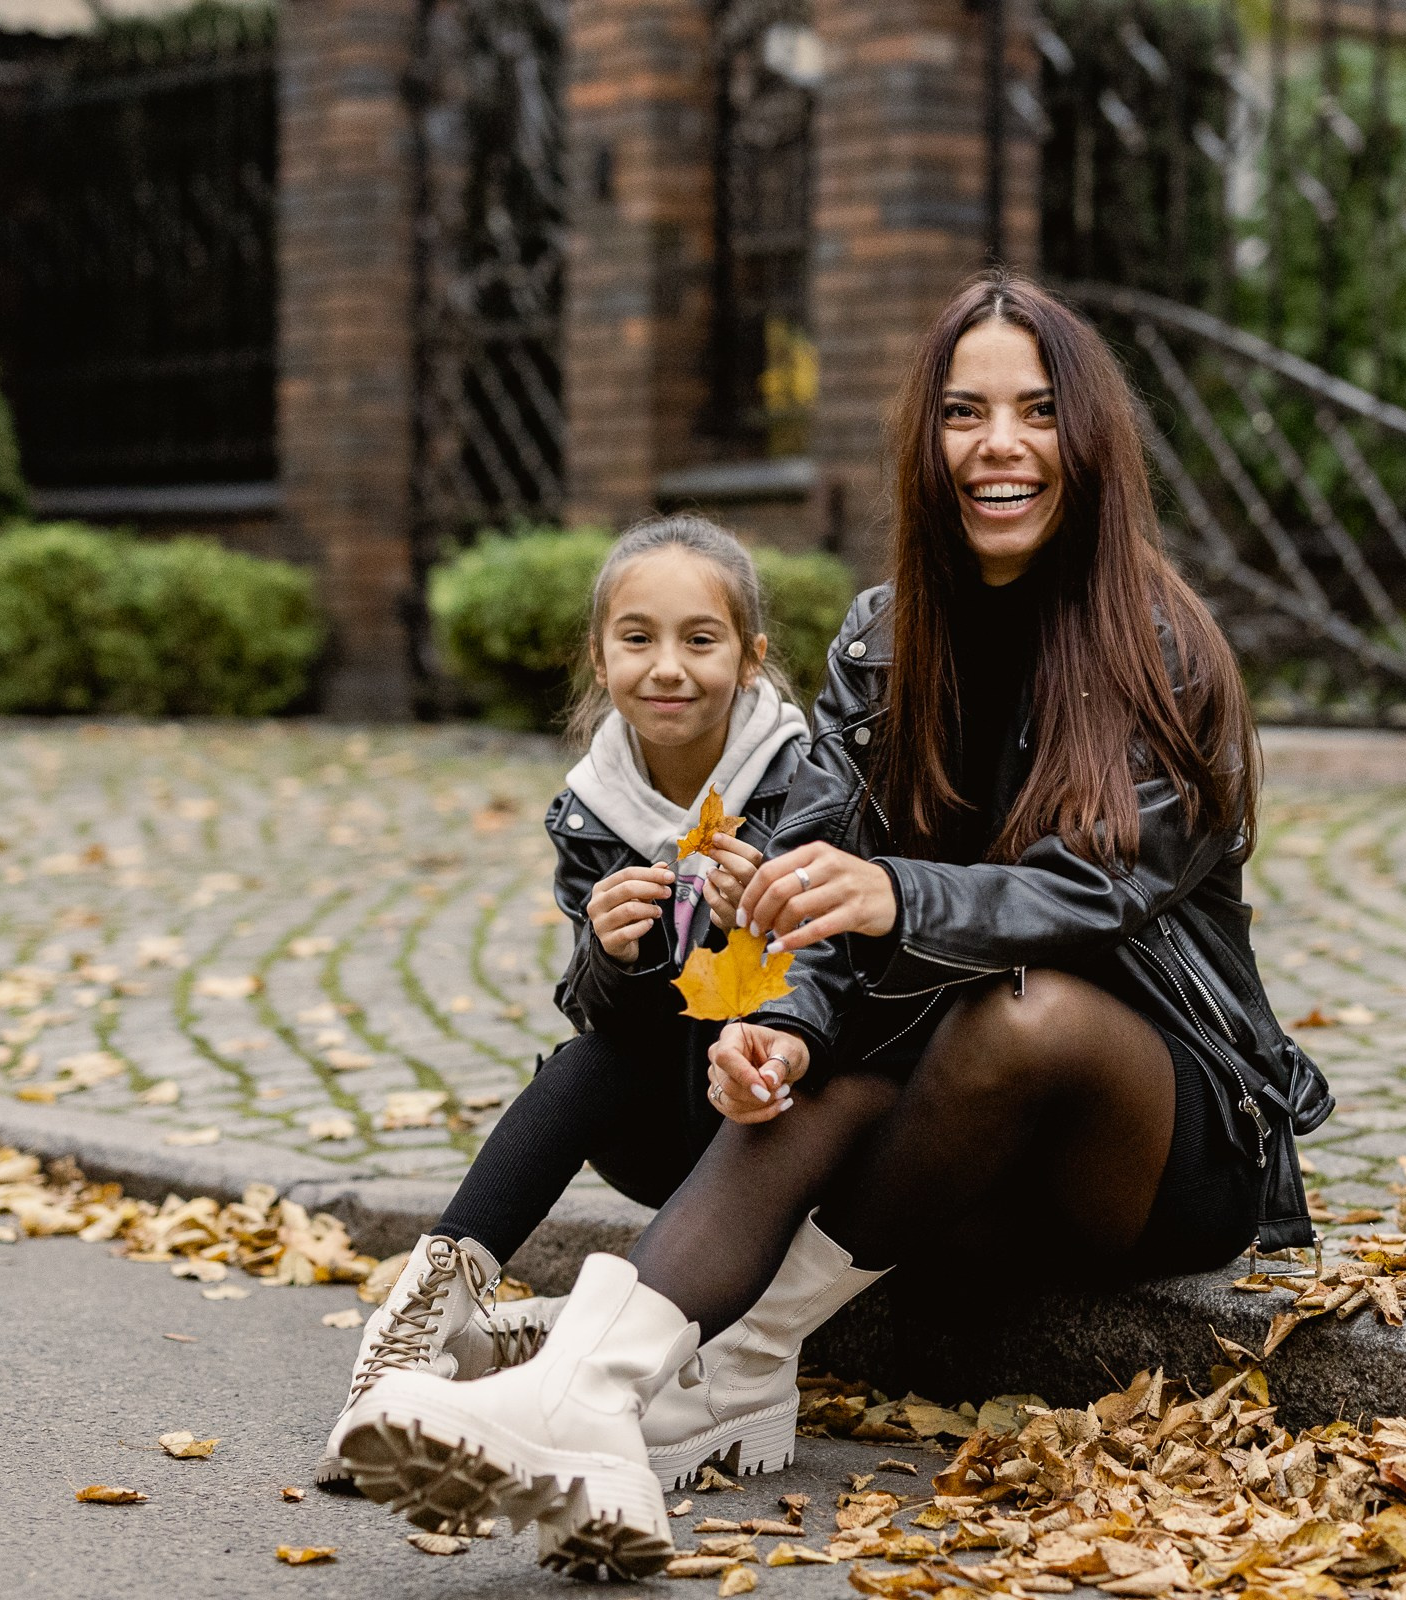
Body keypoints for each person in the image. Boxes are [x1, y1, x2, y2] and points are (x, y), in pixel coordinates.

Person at [337, 272, 1332, 1581]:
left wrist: (900, 896)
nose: (1000, 444)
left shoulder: (1166, 651)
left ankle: (737, 1358)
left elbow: (1099, 894)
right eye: (964, 413)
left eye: (1037, 412)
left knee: (1017, 1014)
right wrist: (789, 1028)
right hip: (957, 1149)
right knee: (810, 1082)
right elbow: (816, 877)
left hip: (1155, 1141)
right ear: (926, 445)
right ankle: (598, 1390)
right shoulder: (885, 640)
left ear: (1088, 444)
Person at [315, 514, 902, 1499]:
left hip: (781, 1135)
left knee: (711, 1043)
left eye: (699, 640)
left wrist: (760, 928)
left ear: (752, 658)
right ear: (600, 656)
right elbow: (607, 1023)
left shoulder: (810, 782)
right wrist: (612, 950)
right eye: (638, 639)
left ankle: (571, 1337)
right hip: (666, 1130)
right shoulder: (594, 807)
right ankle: (418, 1318)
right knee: (582, 1062)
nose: (667, 668)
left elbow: (863, 993)